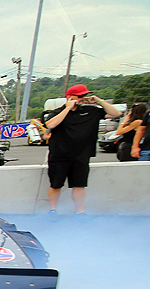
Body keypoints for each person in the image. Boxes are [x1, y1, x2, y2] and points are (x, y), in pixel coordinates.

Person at [43, 84, 123, 215]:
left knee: (79, 185)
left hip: (82, 154)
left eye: (84, 96)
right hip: (60, 155)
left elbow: (116, 113)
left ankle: (80, 212)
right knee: (56, 185)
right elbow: (51, 124)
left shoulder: (91, 110)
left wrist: (99, 101)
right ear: (69, 97)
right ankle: (53, 210)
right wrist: (68, 108)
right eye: (80, 96)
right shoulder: (57, 112)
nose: (82, 98)